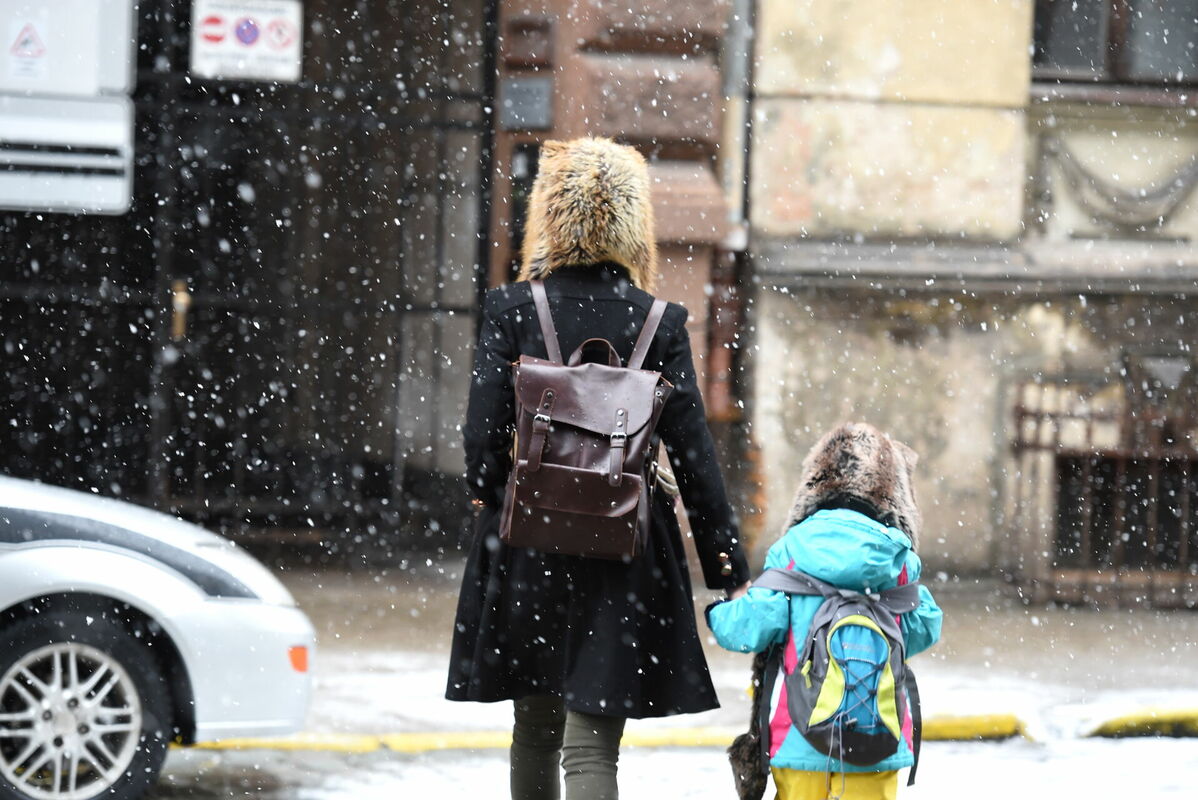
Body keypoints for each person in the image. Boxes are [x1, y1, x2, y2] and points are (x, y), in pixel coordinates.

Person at [446, 136, 752, 800]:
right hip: (627, 547)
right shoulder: (661, 322)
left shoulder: (512, 310)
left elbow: (479, 440)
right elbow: (695, 453)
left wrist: (503, 498)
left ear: (550, 220)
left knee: (534, 727)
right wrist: (726, 562)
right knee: (591, 747)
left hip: (528, 542)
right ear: (632, 226)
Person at [707, 423, 942, 800]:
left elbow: (747, 628)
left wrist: (718, 612)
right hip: (879, 741)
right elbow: (925, 626)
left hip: (800, 739)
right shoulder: (898, 558)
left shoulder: (792, 551)